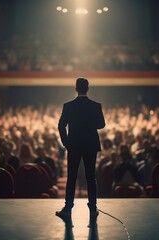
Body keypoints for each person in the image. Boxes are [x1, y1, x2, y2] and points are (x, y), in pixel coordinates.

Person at [56, 78, 105, 219]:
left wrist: (66, 142)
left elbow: (61, 126)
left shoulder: (68, 106)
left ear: (76, 88)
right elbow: (101, 124)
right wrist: (89, 124)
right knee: (91, 177)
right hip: (90, 144)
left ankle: (68, 208)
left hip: (74, 145)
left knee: (71, 177)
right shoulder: (96, 106)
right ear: (87, 88)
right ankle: (93, 209)